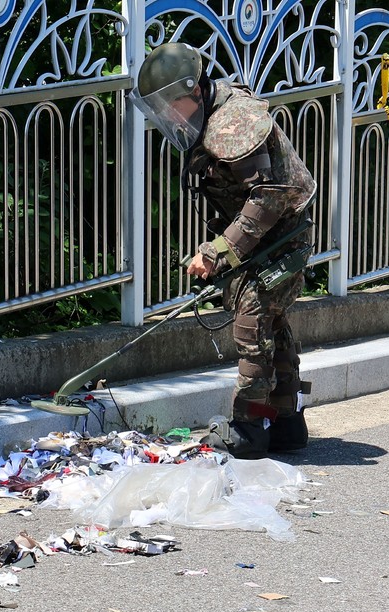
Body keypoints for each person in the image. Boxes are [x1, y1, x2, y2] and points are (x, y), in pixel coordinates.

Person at [130, 43, 316, 459]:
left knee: (252, 329)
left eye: (170, 104)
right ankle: (287, 424)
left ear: (193, 90)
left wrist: (218, 251)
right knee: (272, 326)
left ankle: (248, 430)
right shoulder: (209, 114)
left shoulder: (233, 122)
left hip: (281, 235)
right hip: (265, 237)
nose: (169, 115)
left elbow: (268, 197)